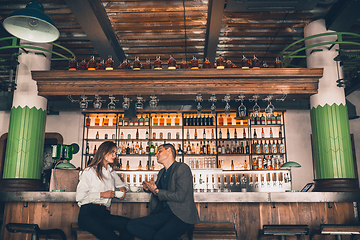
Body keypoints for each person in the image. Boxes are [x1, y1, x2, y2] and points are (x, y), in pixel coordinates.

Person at [127, 143, 200, 240]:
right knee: (131, 225)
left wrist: (156, 191)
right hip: (164, 213)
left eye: (159, 151)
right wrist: (148, 188)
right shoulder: (162, 172)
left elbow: (180, 196)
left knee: (159, 237)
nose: (156, 155)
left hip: (181, 216)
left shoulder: (182, 168)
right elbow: (158, 191)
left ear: (169, 151)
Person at [76, 141, 133, 240]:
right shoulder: (89, 171)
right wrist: (102, 194)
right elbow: (79, 196)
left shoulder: (110, 172)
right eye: (112, 152)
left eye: (115, 153)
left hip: (103, 213)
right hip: (88, 214)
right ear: (103, 152)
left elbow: (123, 185)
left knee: (131, 226)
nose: (114, 155)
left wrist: (123, 189)